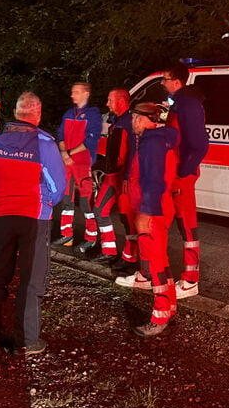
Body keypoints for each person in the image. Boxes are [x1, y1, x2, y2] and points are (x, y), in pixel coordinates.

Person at [0, 92, 66, 356]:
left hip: (2, 215)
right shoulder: (45, 143)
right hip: (34, 218)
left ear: (17, 113)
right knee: (31, 280)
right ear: (37, 114)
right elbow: (57, 186)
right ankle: (26, 341)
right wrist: (45, 202)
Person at [114, 102, 179, 337]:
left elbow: (154, 180)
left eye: (133, 119)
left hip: (152, 212)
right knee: (160, 260)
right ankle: (168, 307)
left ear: (142, 119)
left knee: (154, 264)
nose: (131, 123)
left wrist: (145, 212)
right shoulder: (158, 140)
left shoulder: (151, 143)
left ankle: (159, 315)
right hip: (158, 209)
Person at [161, 63, 209, 299]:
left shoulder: (187, 104)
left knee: (186, 225)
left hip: (181, 177)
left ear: (176, 81)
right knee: (166, 223)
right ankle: (156, 273)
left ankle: (190, 281)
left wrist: (183, 171)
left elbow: (199, 143)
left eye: (165, 78)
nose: (162, 82)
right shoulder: (179, 102)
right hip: (174, 174)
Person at [81, 88, 133, 264]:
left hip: (117, 177)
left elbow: (121, 156)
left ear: (120, 101)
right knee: (110, 213)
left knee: (105, 211)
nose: (107, 104)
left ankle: (112, 252)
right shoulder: (122, 121)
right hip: (118, 176)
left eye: (110, 100)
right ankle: (116, 252)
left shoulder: (123, 124)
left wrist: (119, 174)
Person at [53, 82, 102, 249]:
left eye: (76, 92)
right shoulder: (69, 113)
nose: (72, 95)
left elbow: (91, 140)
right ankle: (66, 236)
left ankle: (91, 237)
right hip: (68, 163)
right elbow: (60, 135)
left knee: (86, 202)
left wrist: (68, 153)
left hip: (82, 164)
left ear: (86, 94)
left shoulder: (93, 115)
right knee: (66, 200)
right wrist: (64, 153)